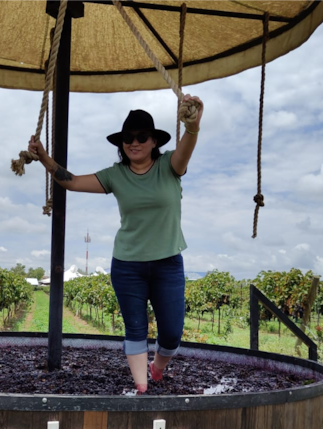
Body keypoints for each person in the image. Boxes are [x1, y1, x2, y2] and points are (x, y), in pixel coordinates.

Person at [27, 96, 204, 393]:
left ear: (153, 141)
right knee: (135, 329)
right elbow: (70, 181)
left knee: (171, 334)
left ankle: (156, 369)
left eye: (141, 137)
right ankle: (142, 388)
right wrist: (44, 157)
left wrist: (193, 126)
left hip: (168, 264)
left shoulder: (170, 166)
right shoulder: (115, 175)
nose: (134, 143)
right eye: (127, 138)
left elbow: (187, 146)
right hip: (127, 266)